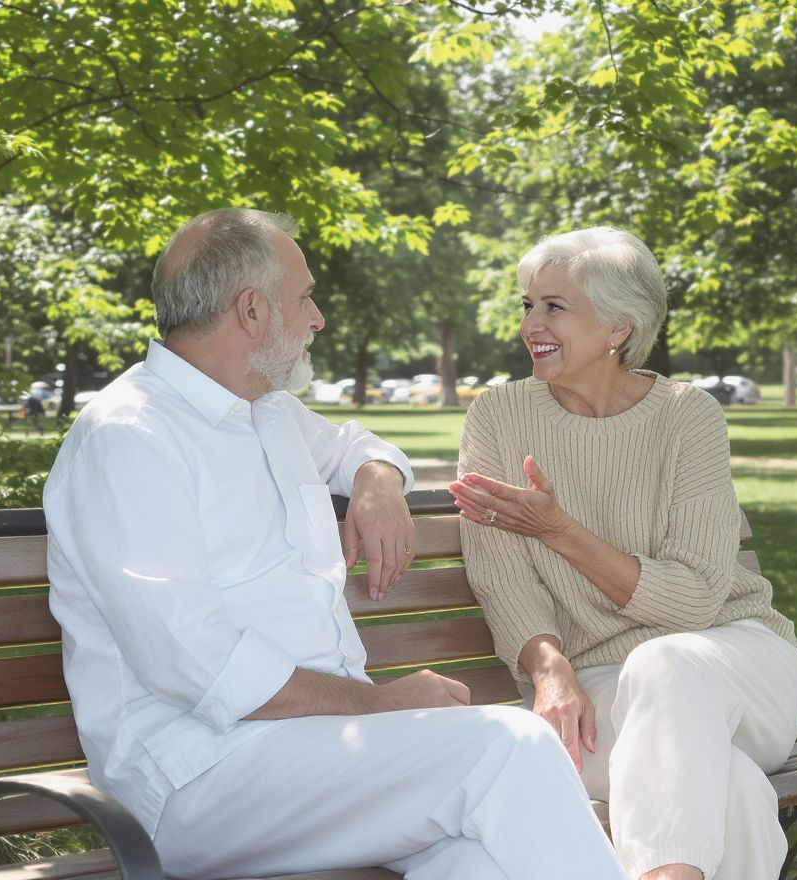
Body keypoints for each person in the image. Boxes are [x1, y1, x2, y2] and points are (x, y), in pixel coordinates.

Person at [44, 209, 627, 880]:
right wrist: (381, 703)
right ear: (253, 311)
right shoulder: (130, 438)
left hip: (318, 757)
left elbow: (358, 445)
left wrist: (376, 480)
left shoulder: (266, 411)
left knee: (479, 862)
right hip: (196, 777)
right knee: (510, 745)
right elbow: (202, 670)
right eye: (305, 299)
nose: (317, 317)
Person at [448, 227, 797, 880]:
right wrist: (549, 669)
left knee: (668, 663)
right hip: (599, 689)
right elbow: (500, 574)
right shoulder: (498, 417)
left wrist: (558, 530)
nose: (531, 324)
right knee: (730, 791)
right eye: (528, 305)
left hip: (736, 662)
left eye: (554, 307)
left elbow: (696, 597)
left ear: (618, 327)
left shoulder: (687, 415)